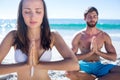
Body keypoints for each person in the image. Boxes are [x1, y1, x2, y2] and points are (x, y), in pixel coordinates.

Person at [0, 0, 79, 80]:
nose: (33, 17)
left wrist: (38, 64)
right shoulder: (13, 36)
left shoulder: (52, 36)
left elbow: (74, 65)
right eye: (27, 12)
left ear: (44, 13)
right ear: (21, 14)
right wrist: (26, 65)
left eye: (38, 11)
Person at [66, 7, 120, 80]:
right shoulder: (78, 36)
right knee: (68, 73)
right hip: (84, 65)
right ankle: (93, 78)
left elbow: (114, 57)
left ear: (97, 18)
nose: (92, 19)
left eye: (95, 16)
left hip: (99, 66)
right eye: (89, 17)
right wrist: (90, 53)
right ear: (85, 18)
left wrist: (98, 52)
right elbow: (71, 58)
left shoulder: (104, 35)